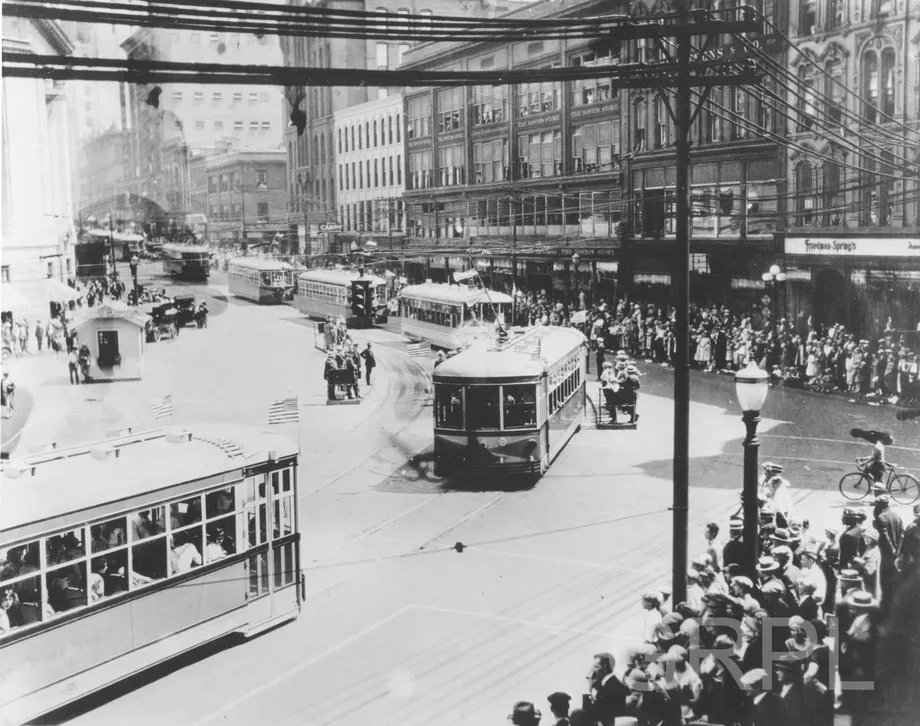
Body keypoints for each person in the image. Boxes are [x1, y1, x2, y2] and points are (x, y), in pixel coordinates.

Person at [585, 652, 629, 725]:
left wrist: (590, 685)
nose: (593, 670)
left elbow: (592, 712)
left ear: (605, 668)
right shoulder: (605, 683)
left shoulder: (613, 688)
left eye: (596, 667)